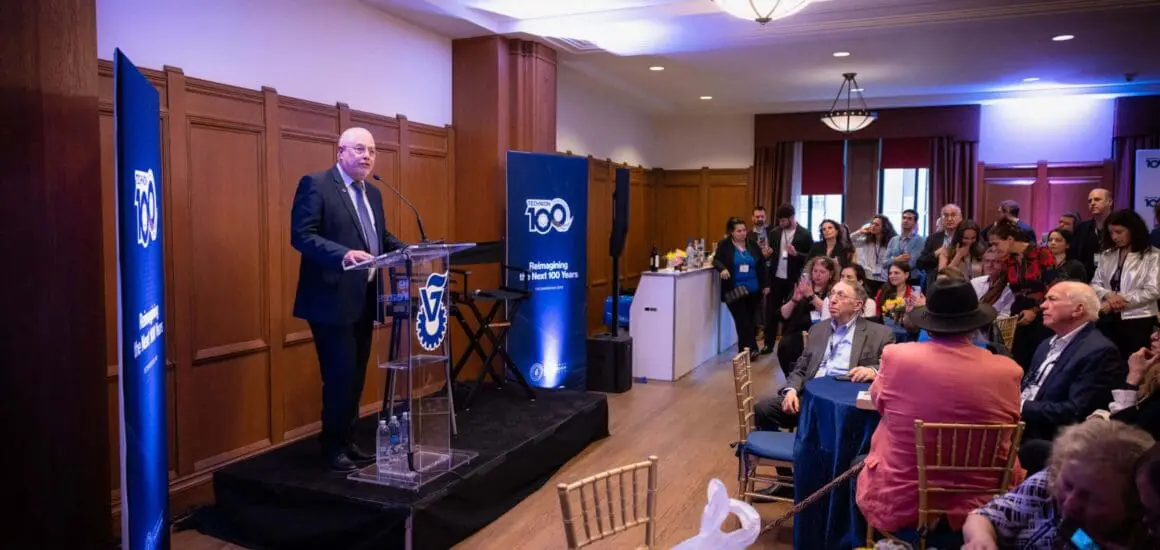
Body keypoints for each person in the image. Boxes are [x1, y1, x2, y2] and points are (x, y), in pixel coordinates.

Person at [856, 277, 1024, 536]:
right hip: (985, 494)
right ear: (974, 325)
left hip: (904, 492)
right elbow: (1012, 422)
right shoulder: (1008, 370)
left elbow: (880, 403)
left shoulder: (897, 357)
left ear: (930, 325)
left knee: (859, 459)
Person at [291, 127, 407, 471]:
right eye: (359, 149)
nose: (367, 156)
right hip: (329, 300)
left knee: (355, 376)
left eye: (372, 150)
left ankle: (347, 442)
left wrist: (409, 251)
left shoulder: (372, 193)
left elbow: (379, 237)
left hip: (364, 297)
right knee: (340, 375)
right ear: (340, 151)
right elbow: (302, 236)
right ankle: (331, 448)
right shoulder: (316, 184)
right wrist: (344, 255)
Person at [963, 419, 1154, 550]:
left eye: (1091, 498)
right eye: (1068, 486)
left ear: (1136, 502)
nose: (1070, 504)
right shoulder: (1050, 481)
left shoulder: (1141, 537)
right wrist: (981, 540)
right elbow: (984, 516)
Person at [754, 280, 893, 432]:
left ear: (857, 305)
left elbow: (893, 369)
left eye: (841, 296)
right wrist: (791, 390)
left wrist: (872, 371)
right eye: (832, 294)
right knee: (763, 410)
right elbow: (801, 368)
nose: (832, 300)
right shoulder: (817, 330)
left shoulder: (879, 333)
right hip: (811, 398)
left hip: (846, 402)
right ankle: (793, 449)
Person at [1091, 209, 1160, 356]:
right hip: (1108, 319)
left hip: (1139, 320)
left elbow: (1152, 290)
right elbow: (1095, 284)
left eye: (1119, 232)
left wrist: (1118, 302)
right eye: (1111, 233)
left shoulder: (1153, 256)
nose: (1114, 237)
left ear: (1133, 230)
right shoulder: (1108, 254)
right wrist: (1109, 296)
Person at [713, 217, 770, 360]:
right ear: (732, 232)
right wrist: (722, 269)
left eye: (744, 230)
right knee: (742, 321)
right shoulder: (725, 245)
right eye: (739, 231)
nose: (743, 233)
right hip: (734, 290)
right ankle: (751, 349)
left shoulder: (752, 245)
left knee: (750, 321)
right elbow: (716, 260)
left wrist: (766, 284)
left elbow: (761, 266)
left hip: (753, 290)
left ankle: (744, 351)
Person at [761, 204, 814, 355]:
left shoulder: (804, 234)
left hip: (793, 280)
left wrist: (796, 254)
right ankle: (768, 344)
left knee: (790, 312)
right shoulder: (775, 233)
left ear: (792, 218)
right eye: (779, 220)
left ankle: (786, 343)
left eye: (784, 220)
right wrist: (767, 253)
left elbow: (810, 258)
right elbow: (770, 254)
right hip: (776, 278)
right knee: (771, 312)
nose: (781, 223)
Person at [776, 256, 838, 374]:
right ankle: (791, 381)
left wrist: (811, 296)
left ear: (830, 274)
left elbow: (829, 310)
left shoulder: (834, 291)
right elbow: (783, 315)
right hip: (797, 333)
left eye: (822, 272)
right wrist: (794, 300)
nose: (817, 275)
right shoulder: (802, 286)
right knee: (785, 346)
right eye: (815, 271)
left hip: (822, 334)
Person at [1070, 188, 1114, 282]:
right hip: (1086, 280)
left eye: (1097, 199)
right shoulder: (1081, 228)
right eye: (1090, 201)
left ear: (1109, 202)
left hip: (1113, 280)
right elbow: (1075, 256)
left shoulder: (1121, 226)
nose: (1092, 203)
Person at [851, 215, 896, 296]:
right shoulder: (866, 240)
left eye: (877, 224)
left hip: (884, 278)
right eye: (872, 224)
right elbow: (851, 240)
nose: (873, 226)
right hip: (868, 277)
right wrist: (860, 231)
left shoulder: (891, 242)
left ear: (884, 227)